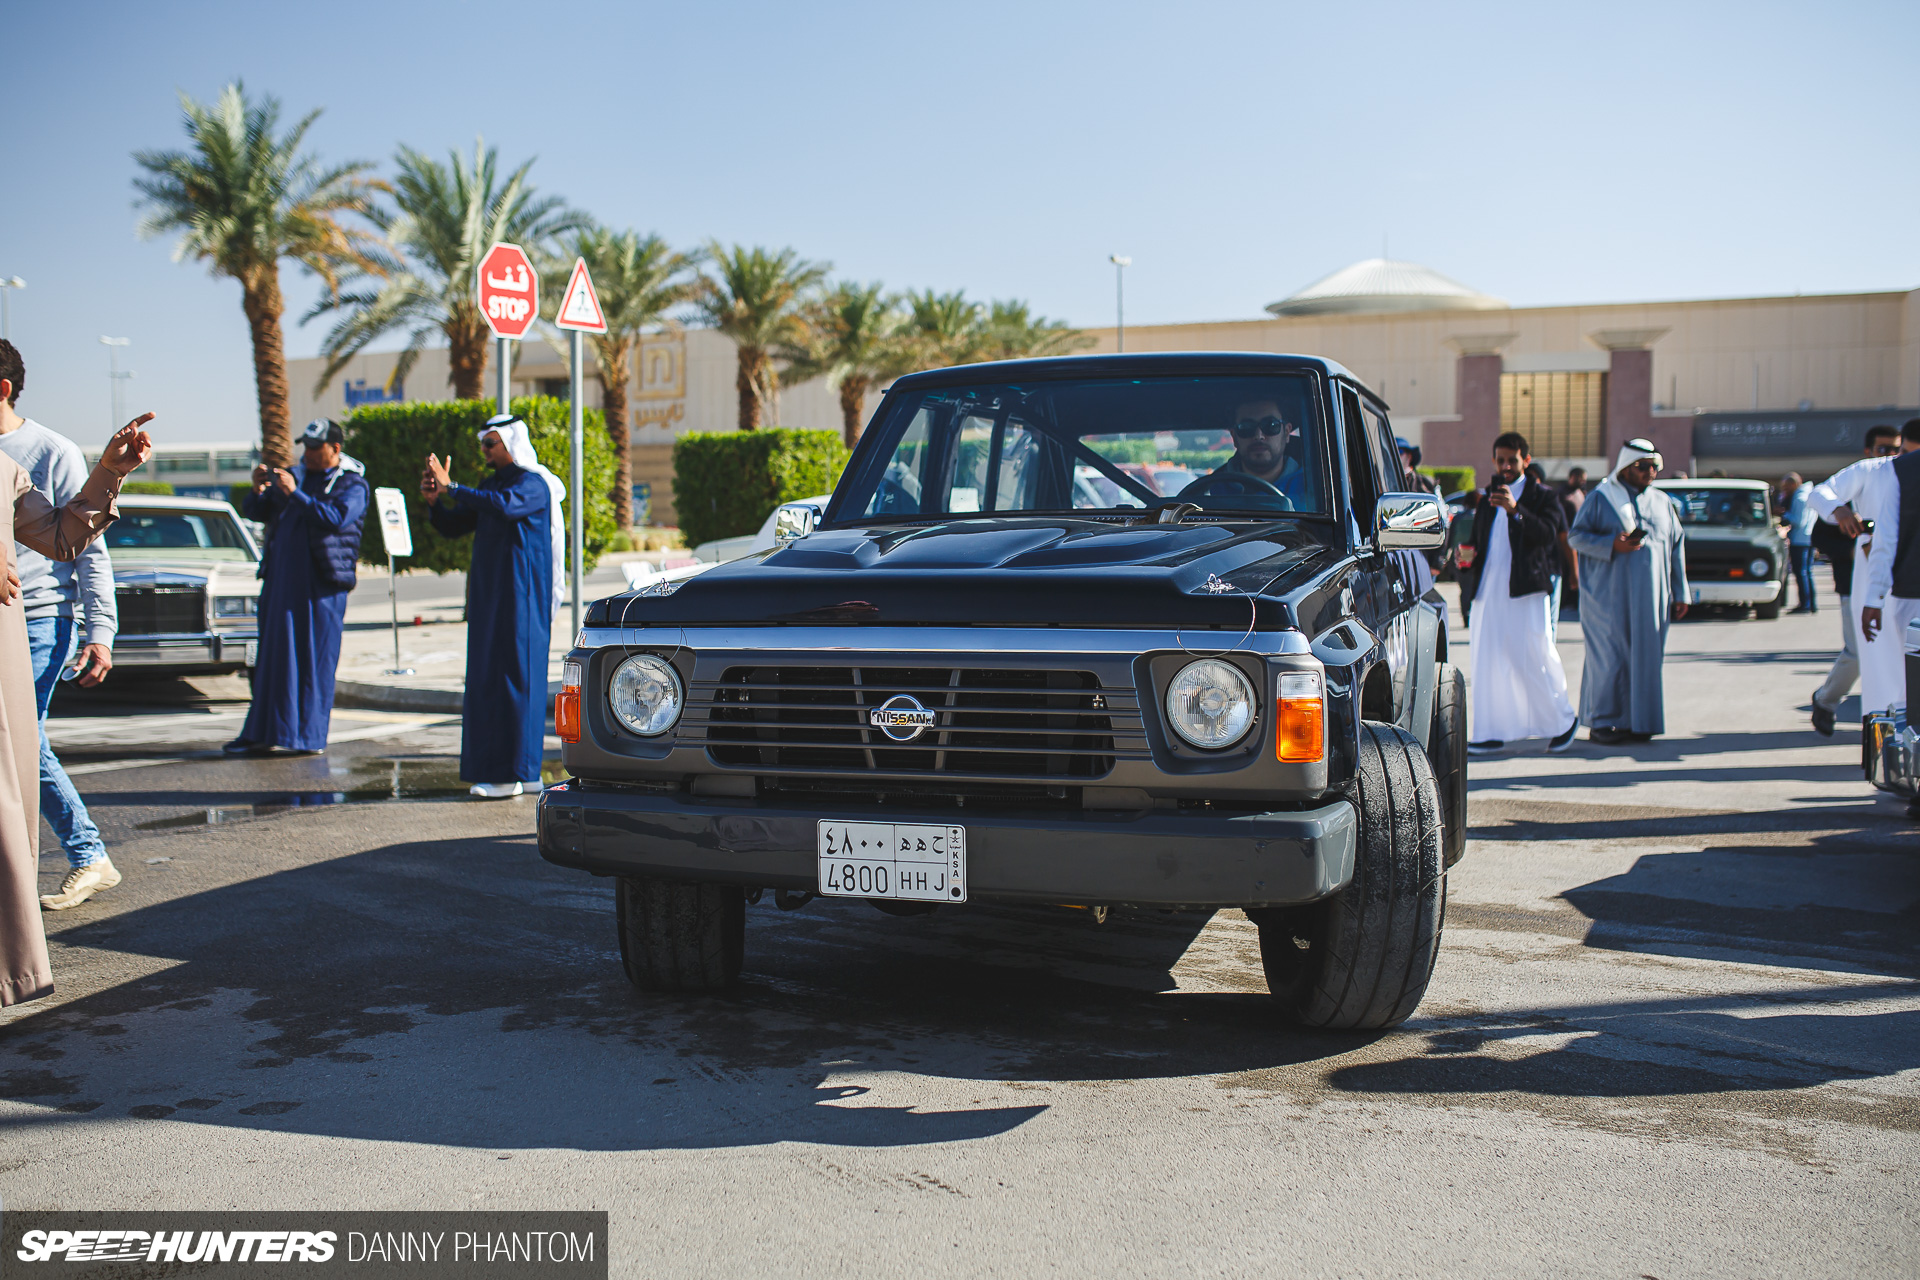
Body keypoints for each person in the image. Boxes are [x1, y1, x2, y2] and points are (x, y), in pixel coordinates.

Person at [2, 414, 153, 1007]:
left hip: (24, 631)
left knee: (17, 774)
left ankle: (85, 859)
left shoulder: (25, 460)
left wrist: (109, 473)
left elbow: (67, 540)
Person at [0, 342, 122, 911]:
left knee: (25, 742)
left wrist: (101, 629)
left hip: (37, 618)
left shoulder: (46, 451)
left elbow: (80, 544)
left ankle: (87, 853)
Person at [421, 414, 564, 799]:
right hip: (491, 599)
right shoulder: (490, 485)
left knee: (517, 680)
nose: (484, 450)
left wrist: (454, 488)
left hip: (522, 600)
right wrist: (437, 502)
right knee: (488, 679)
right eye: (482, 444)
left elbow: (503, 507)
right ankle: (507, 771)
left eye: (491, 443)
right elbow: (456, 524)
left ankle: (517, 773)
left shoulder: (535, 484)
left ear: (511, 444)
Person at [225, 419, 369, 757]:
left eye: (316, 448)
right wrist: (259, 489)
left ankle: (306, 737)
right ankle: (260, 733)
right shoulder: (296, 475)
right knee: (273, 658)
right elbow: (257, 511)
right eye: (306, 446)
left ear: (335, 449)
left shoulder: (352, 484)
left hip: (321, 588)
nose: (309, 454)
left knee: (312, 659)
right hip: (280, 581)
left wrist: (295, 494)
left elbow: (335, 518)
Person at [1568, 438, 1689, 745]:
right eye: (1643, 466)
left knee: (1646, 660)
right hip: (1608, 598)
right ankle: (1602, 723)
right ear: (1626, 467)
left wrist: (1681, 593)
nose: (1651, 472)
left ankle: (1639, 723)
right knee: (1609, 659)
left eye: (1655, 466)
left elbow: (1677, 547)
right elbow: (1576, 537)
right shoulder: (1601, 498)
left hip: (1652, 599)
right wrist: (1613, 544)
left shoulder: (1662, 502)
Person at [1464, 434, 1577, 755]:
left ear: (1525, 460)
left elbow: (1546, 535)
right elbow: (1476, 541)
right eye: (1500, 460)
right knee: (1487, 660)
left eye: (1511, 460)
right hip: (1488, 591)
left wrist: (1516, 511)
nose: (1505, 466)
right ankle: (1490, 731)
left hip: (1526, 590)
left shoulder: (1543, 496)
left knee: (1535, 655)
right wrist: (1464, 558)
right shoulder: (1487, 498)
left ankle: (1563, 720)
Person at [1806, 419, 1920, 725]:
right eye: (1892, 451)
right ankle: (1883, 742)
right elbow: (1820, 494)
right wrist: (1840, 511)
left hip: (1907, 581)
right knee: (1878, 666)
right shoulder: (1873, 470)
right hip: (1875, 579)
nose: (1900, 457)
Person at [1861, 434, 1920, 724]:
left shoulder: (1901, 470)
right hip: (1911, 595)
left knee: (1911, 692)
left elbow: (1886, 539)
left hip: (1912, 598)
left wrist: (1874, 598)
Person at [1204, 397, 1311, 507]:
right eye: (1246, 427)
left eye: (1271, 425)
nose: (1258, 436)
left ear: (1287, 432)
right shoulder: (1209, 490)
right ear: (1235, 437)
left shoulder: (1314, 486)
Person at [1778, 472, 1817, 613]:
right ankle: (1811, 604)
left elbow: (1798, 521)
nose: (1785, 490)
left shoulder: (1800, 498)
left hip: (1800, 539)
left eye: (1787, 487)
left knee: (1801, 572)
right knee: (1807, 572)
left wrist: (1784, 515)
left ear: (1794, 484)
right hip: (1808, 537)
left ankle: (1805, 604)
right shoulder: (1808, 494)